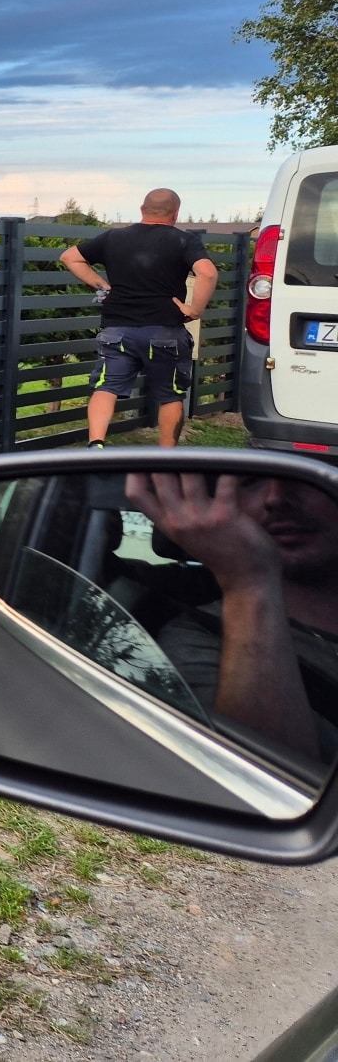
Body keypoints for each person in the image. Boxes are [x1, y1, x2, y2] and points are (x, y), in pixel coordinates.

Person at [126, 470, 338, 767]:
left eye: (304, 477)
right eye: (251, 482)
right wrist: (249, 581)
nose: (276, 498)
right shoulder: (196, 639)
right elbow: (257, 778)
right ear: (228, 509)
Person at [60, 189, 217, 447]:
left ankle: (95, 444)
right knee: (170, 395)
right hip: (164, 330)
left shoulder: (114, 237)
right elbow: (207, 273)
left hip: (117, 329)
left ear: (142, 209)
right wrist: (195, 309)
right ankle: (165, 454)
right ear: (175, 213)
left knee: (106, 386)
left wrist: (103, 286)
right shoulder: (183, 241)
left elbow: (70, 257)